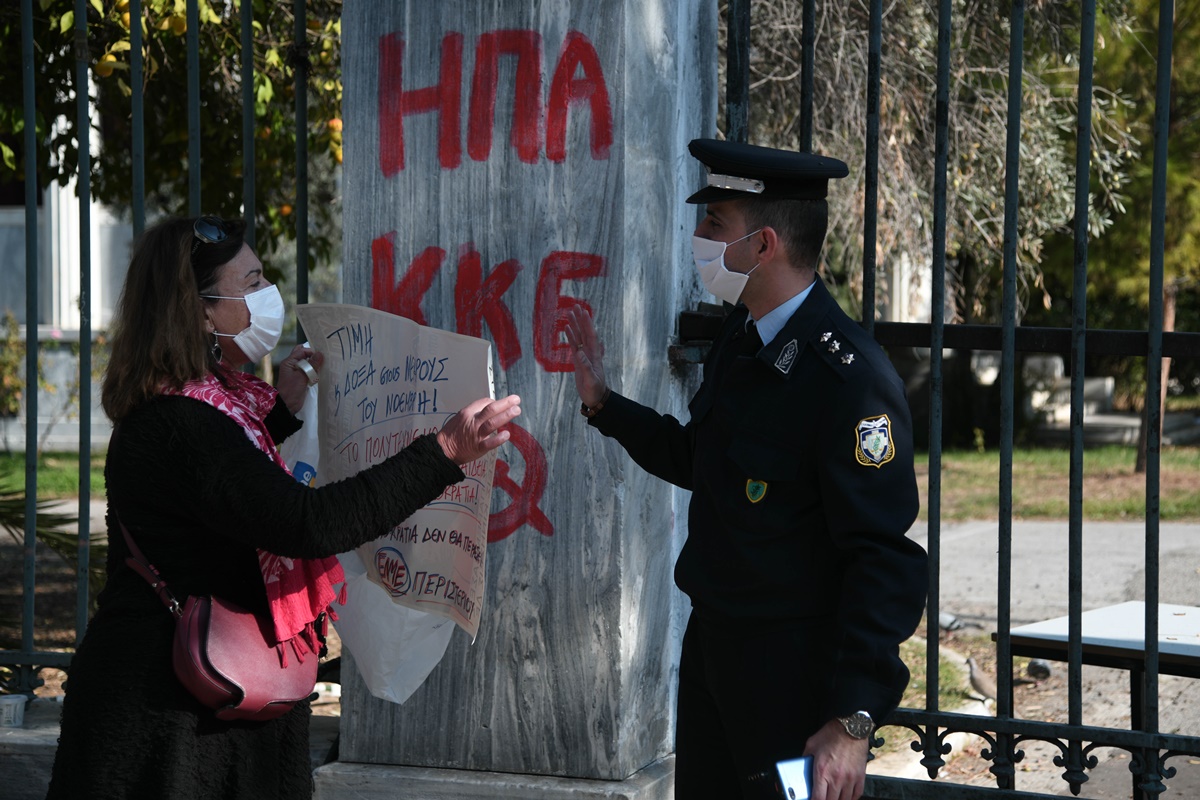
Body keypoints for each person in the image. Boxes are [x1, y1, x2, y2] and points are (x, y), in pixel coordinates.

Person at [45, 216, 520, 799]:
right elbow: (307, 523)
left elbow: (226, 490)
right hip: (167, 712)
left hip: (210, 697)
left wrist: (281, 416)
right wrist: (445, 452)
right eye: (250, 284)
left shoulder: (212, 407)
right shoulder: (182, 422)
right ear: (199, 312)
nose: (267, 296)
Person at [565, 139, 928, 800]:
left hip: (792, 680)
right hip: (716, 653)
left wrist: (853, 719)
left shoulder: (849, 380)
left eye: (715, 225)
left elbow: (884, 560)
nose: (699, 239)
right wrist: (604, 404)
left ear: (763, 246)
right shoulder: (745, 337)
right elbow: (701, 461)